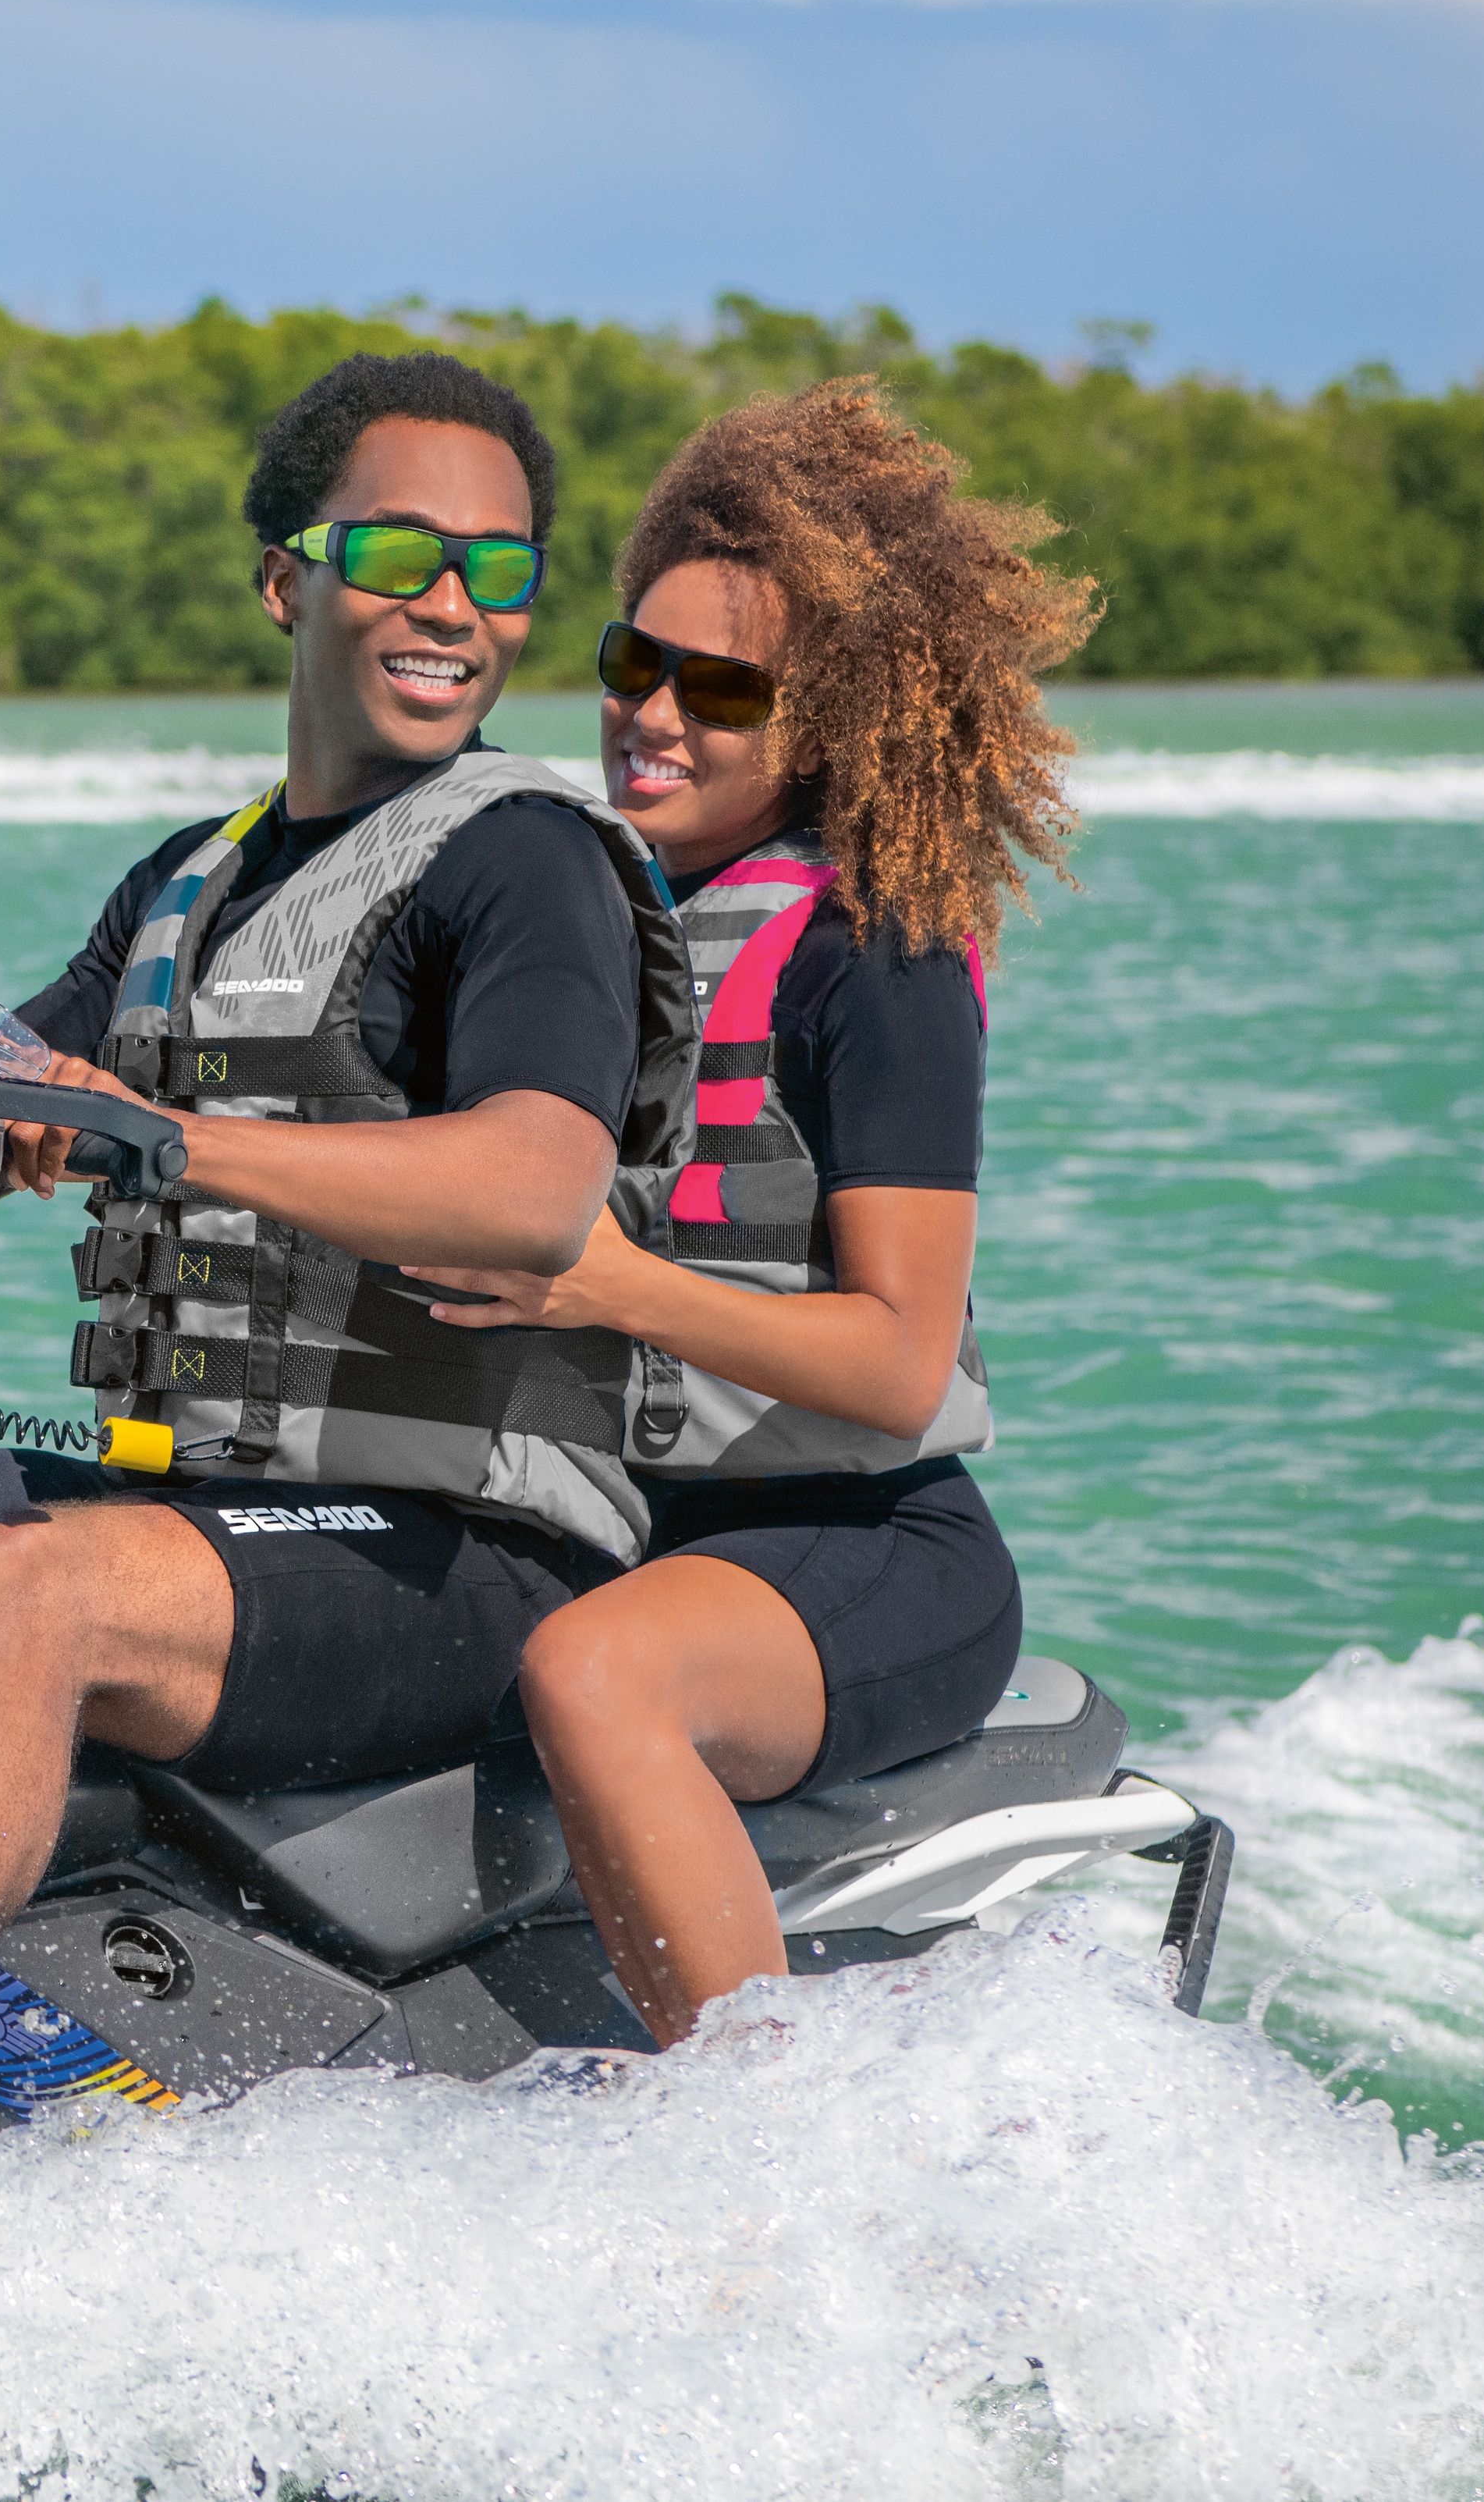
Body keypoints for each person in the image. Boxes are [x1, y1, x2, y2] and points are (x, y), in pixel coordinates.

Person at [0, 353, 697, 1949]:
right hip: (224, 1518)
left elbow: (532, 1188)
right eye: (396, 555)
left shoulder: (522, 862)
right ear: (284, 582)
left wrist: (164, 1137)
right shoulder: (189, 880)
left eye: (497, 572)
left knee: (39, 1585)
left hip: (466, 1558)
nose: (452, 604)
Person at [404, 378, 1097, 2043]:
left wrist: (605, 1287)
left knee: (595, 1674)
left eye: (717, 684)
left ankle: (760, 2168)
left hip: (865, 1548)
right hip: (610, 1526)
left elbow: (897, 1365)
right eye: (626, 664)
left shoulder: (876, 953)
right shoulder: (572, 921)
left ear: (835, 717)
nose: (649, 711)